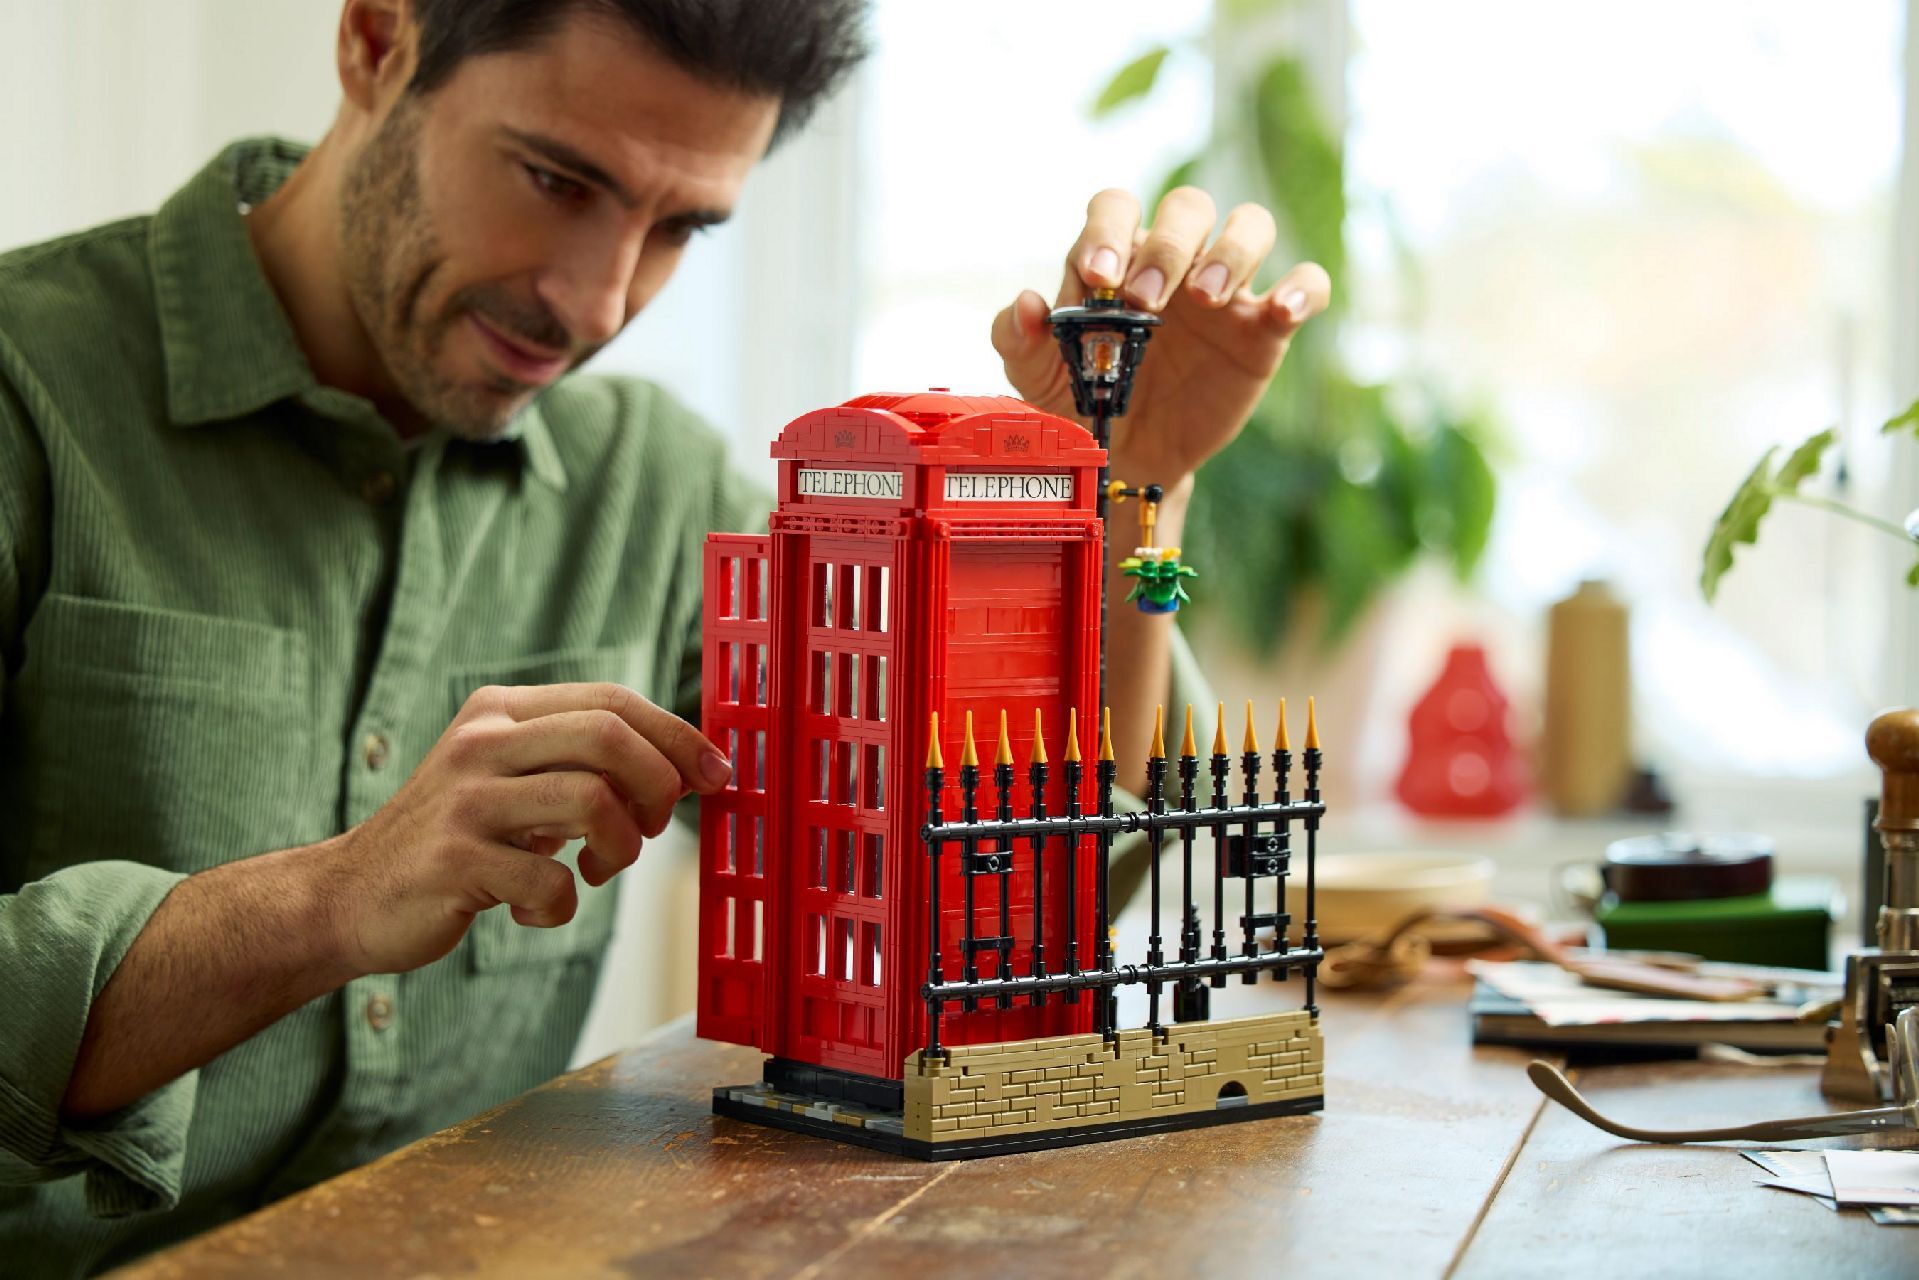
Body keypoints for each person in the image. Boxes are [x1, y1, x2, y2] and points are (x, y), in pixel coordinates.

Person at [0, 0, 1329, 1271]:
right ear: (374, 42)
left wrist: (1122, 491)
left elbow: (994, 911)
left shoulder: (655, 484)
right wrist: (331, 900)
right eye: (555, 180)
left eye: (680, 226)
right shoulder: (29, 392)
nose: (596, 302)